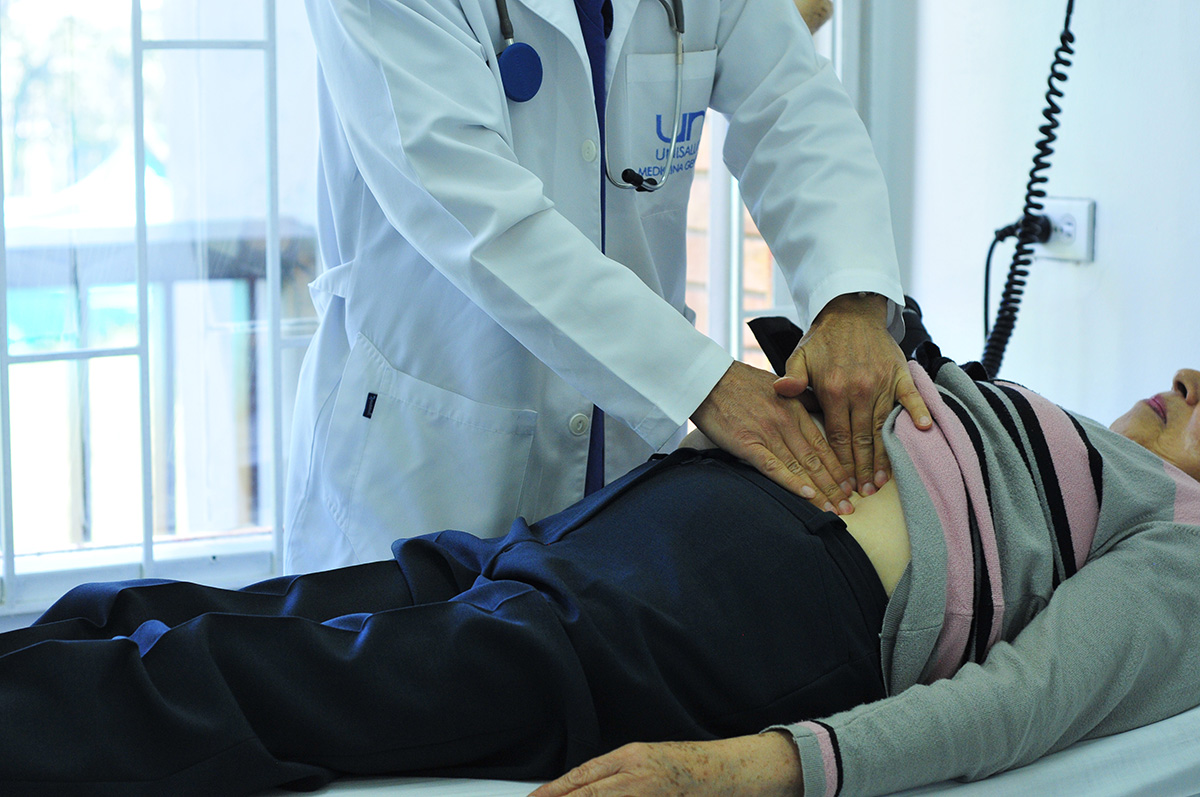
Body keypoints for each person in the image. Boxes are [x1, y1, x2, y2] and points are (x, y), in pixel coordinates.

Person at [1, 351, 1198, 797]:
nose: (1192, 376)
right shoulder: (1070, 434)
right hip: (618, 535)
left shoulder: (1188, 536)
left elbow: (1027, 699)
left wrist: (751, 768)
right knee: (197, 612)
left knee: (266, 675)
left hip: (741, 611)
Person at [284, 0, 932, 573]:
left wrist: (849, 302)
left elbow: (793, 107)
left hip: (620, 481)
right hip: (428, 463)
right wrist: (703, 381)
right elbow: (485, 223)